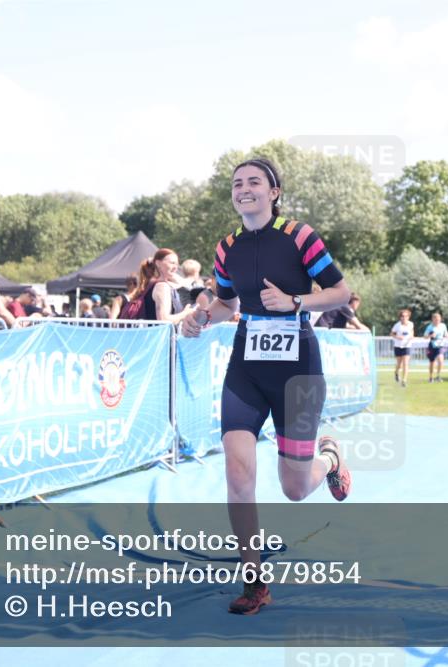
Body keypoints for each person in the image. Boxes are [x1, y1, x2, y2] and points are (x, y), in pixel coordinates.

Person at [180, 157, 353, 615]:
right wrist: (199, 318)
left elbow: (340, 292)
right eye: (237, 183)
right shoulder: (226, 247)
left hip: (298, 366)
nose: (244, 189)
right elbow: (225, 303)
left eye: (255, 181)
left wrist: (295, 300)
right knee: (238, 474)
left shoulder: (299, 235)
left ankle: (330, 457)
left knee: (294, 488)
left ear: (274, 192)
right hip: (247, 367)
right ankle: (254, 581)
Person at [127, 249, 195, 324]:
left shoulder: (152, 284)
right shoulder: (162, 287)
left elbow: (185, 284)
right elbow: (163, 320)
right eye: (172, 263)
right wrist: (185, 313)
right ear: (158, 263)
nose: (176, 267)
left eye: (177, 264)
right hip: (158, 335)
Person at [390, 309, 414, 387]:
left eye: (406, 316)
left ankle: (404, 381)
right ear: (400, 317)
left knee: (405, 363)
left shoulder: (411, 324)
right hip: (398, 346)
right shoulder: (397, 325)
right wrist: (397, 336)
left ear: (408, 317)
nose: (404, 318)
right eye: (402, 316)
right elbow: (391, 334)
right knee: (399, 364)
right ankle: (396, 372)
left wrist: (411, 336)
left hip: (407, 346)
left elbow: (412, 331)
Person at [423, 312, 448, 383]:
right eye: (436, 320)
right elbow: (424, 336)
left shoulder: (443, 325)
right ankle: (431, 377)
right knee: (432, 362)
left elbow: (446, 333)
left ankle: (438, 376)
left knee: (441, 360)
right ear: (432, 320)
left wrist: (447, 336)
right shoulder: (430, 327)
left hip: (440, 345)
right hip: (432, 345)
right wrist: (430, 336)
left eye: (438, 320)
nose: (437, 321)